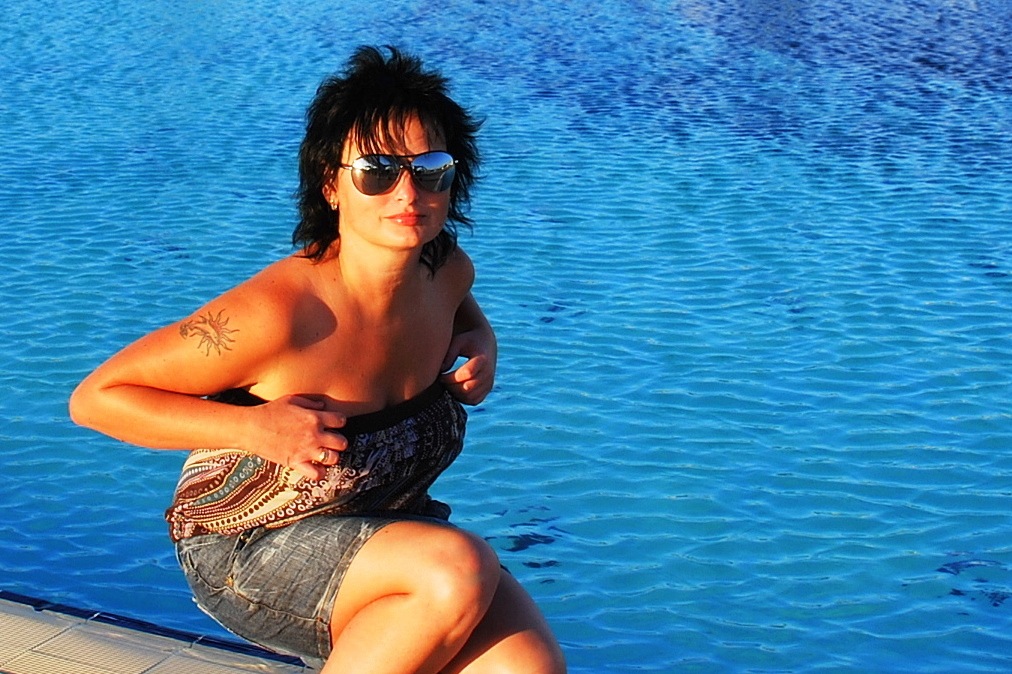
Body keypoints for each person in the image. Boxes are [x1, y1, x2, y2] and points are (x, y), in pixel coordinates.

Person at [69, 45, 566, 674]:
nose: (408, 191)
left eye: (431, 168)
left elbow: (462, 304)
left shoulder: (445, 272)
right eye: (377, 170)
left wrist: (482, 338)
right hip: (249, 544)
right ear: (332, 185)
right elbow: (96, 400)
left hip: (386, 526)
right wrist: (253, 427)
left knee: (527, 667)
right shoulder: (279, 315)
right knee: (458, 568)